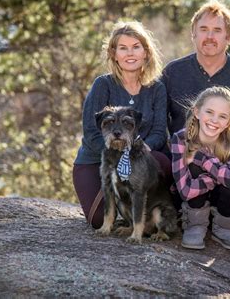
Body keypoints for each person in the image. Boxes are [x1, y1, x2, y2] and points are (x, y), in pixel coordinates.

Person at [73, 21, 170, 229]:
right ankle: (118, 203)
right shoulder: (103, 85)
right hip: (97, 160)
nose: (130, 53)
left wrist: (137, 152)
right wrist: (117, 158)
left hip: (138, 157)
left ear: (146, 52)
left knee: (163, 162)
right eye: (123, 48)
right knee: (98, 220)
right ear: (114, 54)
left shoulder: (157, 89)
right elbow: (91, 132)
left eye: (136, 47)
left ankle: (157, 214)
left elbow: (160, 132)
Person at [162, 0, 230, 159]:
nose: (209, 36)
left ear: (228, 37)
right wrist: (175, 156)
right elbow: (160, 122)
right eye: (203, 29)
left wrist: (225, 158)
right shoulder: (172, 72)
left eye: (217, 30)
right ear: (193, 34)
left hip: (226, 164)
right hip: (180, 161)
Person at [171, 86, 230, 251]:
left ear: (229, 122)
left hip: (220, 202)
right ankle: (195, 224)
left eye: (222, 116)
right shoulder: (181, 138)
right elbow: (185, 190)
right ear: (197, 112)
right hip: (193, 200)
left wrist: (201, 158)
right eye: (209, 112)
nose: (214, 120)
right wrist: (218, 175)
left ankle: (223, 229)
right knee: (194, 169)